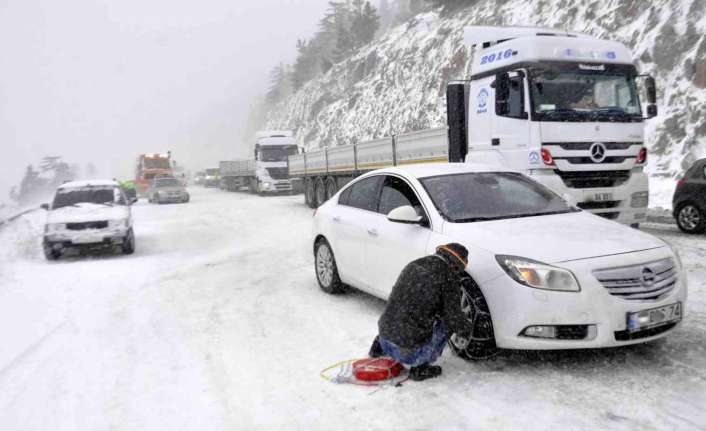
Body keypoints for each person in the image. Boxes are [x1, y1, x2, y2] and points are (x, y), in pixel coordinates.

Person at [368, 243, 472, 381]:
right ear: (456, 265)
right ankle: (420, 367)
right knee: (447, 322)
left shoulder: (414, 265)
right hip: (408, 353)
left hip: (384, 338)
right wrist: (469, 330)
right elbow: (454, 319)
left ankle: (379, 348)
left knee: (402, 307)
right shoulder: (449, 278)